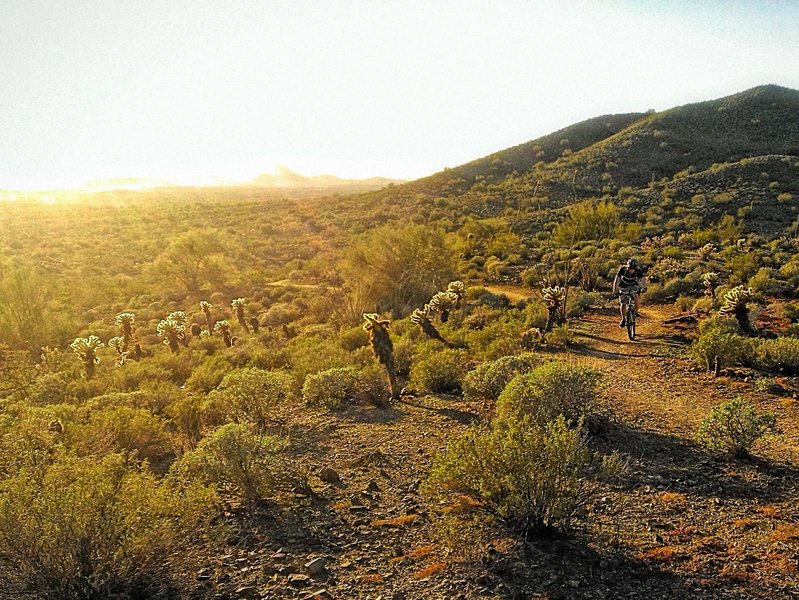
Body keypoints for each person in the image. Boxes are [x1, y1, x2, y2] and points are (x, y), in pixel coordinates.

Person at [613, 258, 646, 327]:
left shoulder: (638, 271)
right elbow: (617, 279)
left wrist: (644, 287)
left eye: (633, 269)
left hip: (634, 285)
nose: (631, 270)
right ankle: (623, 319)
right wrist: (615, 290)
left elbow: (642, 279)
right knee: (623, 303)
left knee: (636, 295)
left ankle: (636, 312)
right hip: (623, 286)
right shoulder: (623, 269)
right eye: (630, 268)